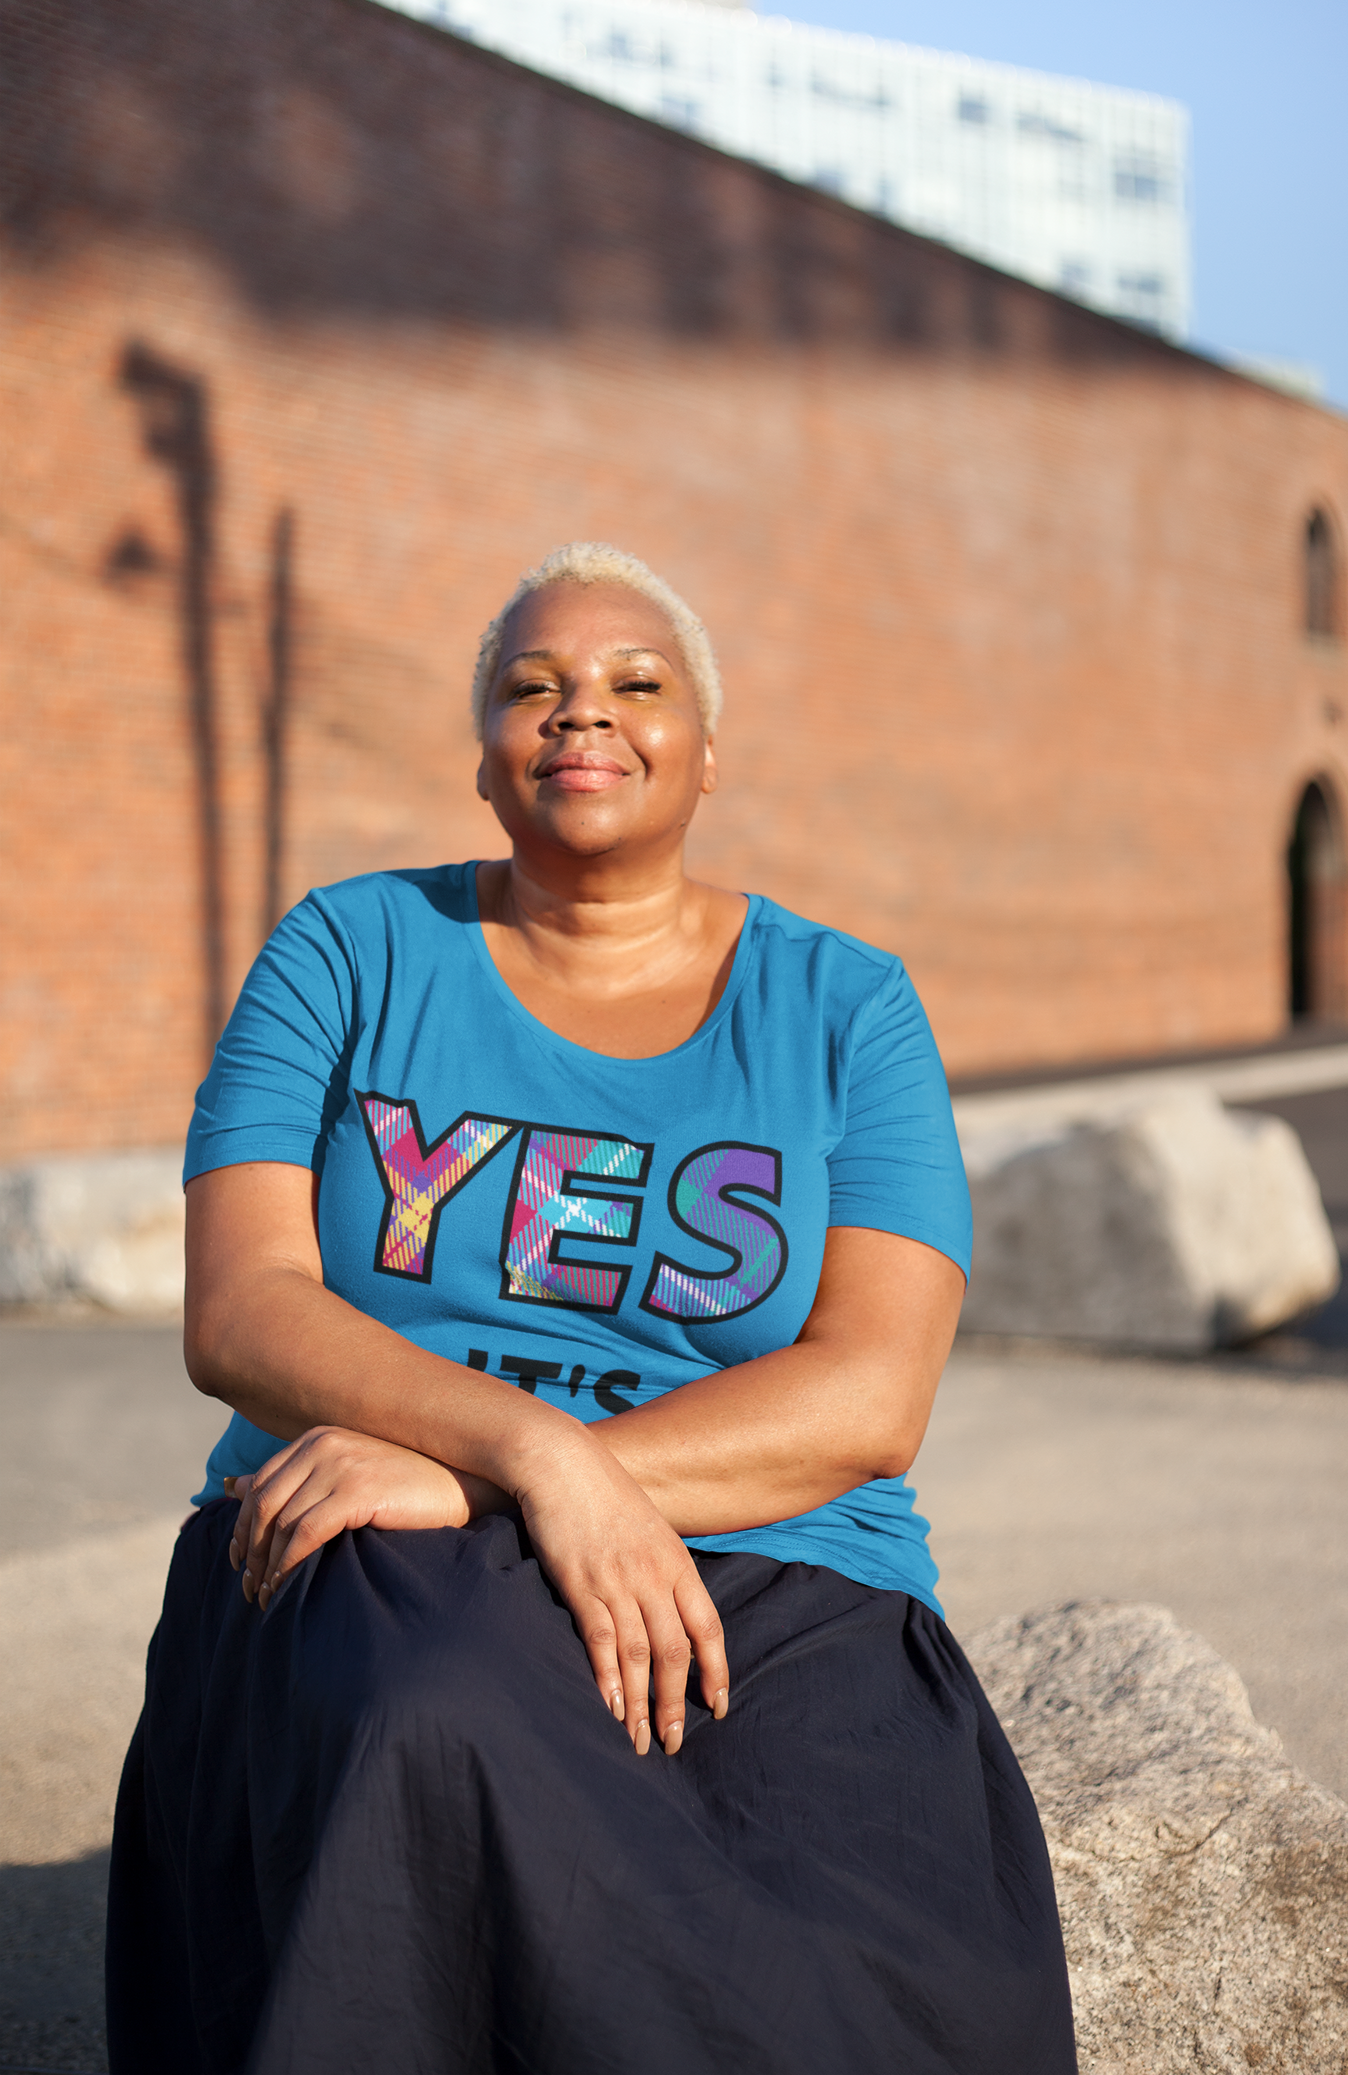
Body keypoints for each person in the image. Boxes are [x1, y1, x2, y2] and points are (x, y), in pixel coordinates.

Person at [107, 542, 1077, 2075]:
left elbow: (871, 1399)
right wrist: (530, 1462)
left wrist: (488, 1460)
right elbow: (239, 1312)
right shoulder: (348, 953)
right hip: (379, 1553)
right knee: (428, 1721)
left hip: (769, 1561)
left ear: (708, 755)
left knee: (914, 1962)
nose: (583, 714)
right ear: (486, 756)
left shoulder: (847, 1007)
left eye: (638, 684)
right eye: (532, 688)